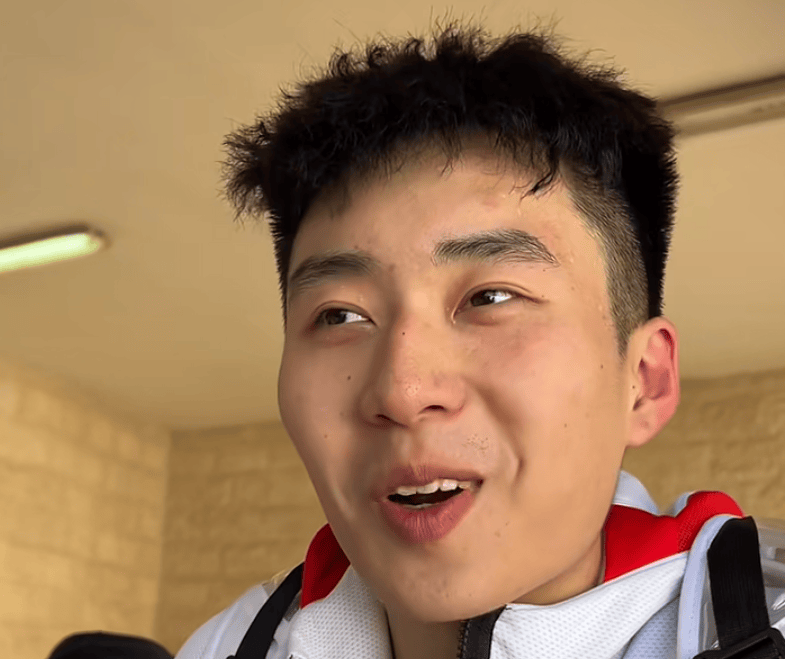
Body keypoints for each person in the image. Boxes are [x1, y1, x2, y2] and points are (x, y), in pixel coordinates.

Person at [176, 19, 785, 659]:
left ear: (644, 382)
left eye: (489, 298)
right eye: (340, 316)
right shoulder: (230, 644)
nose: (403, 391)